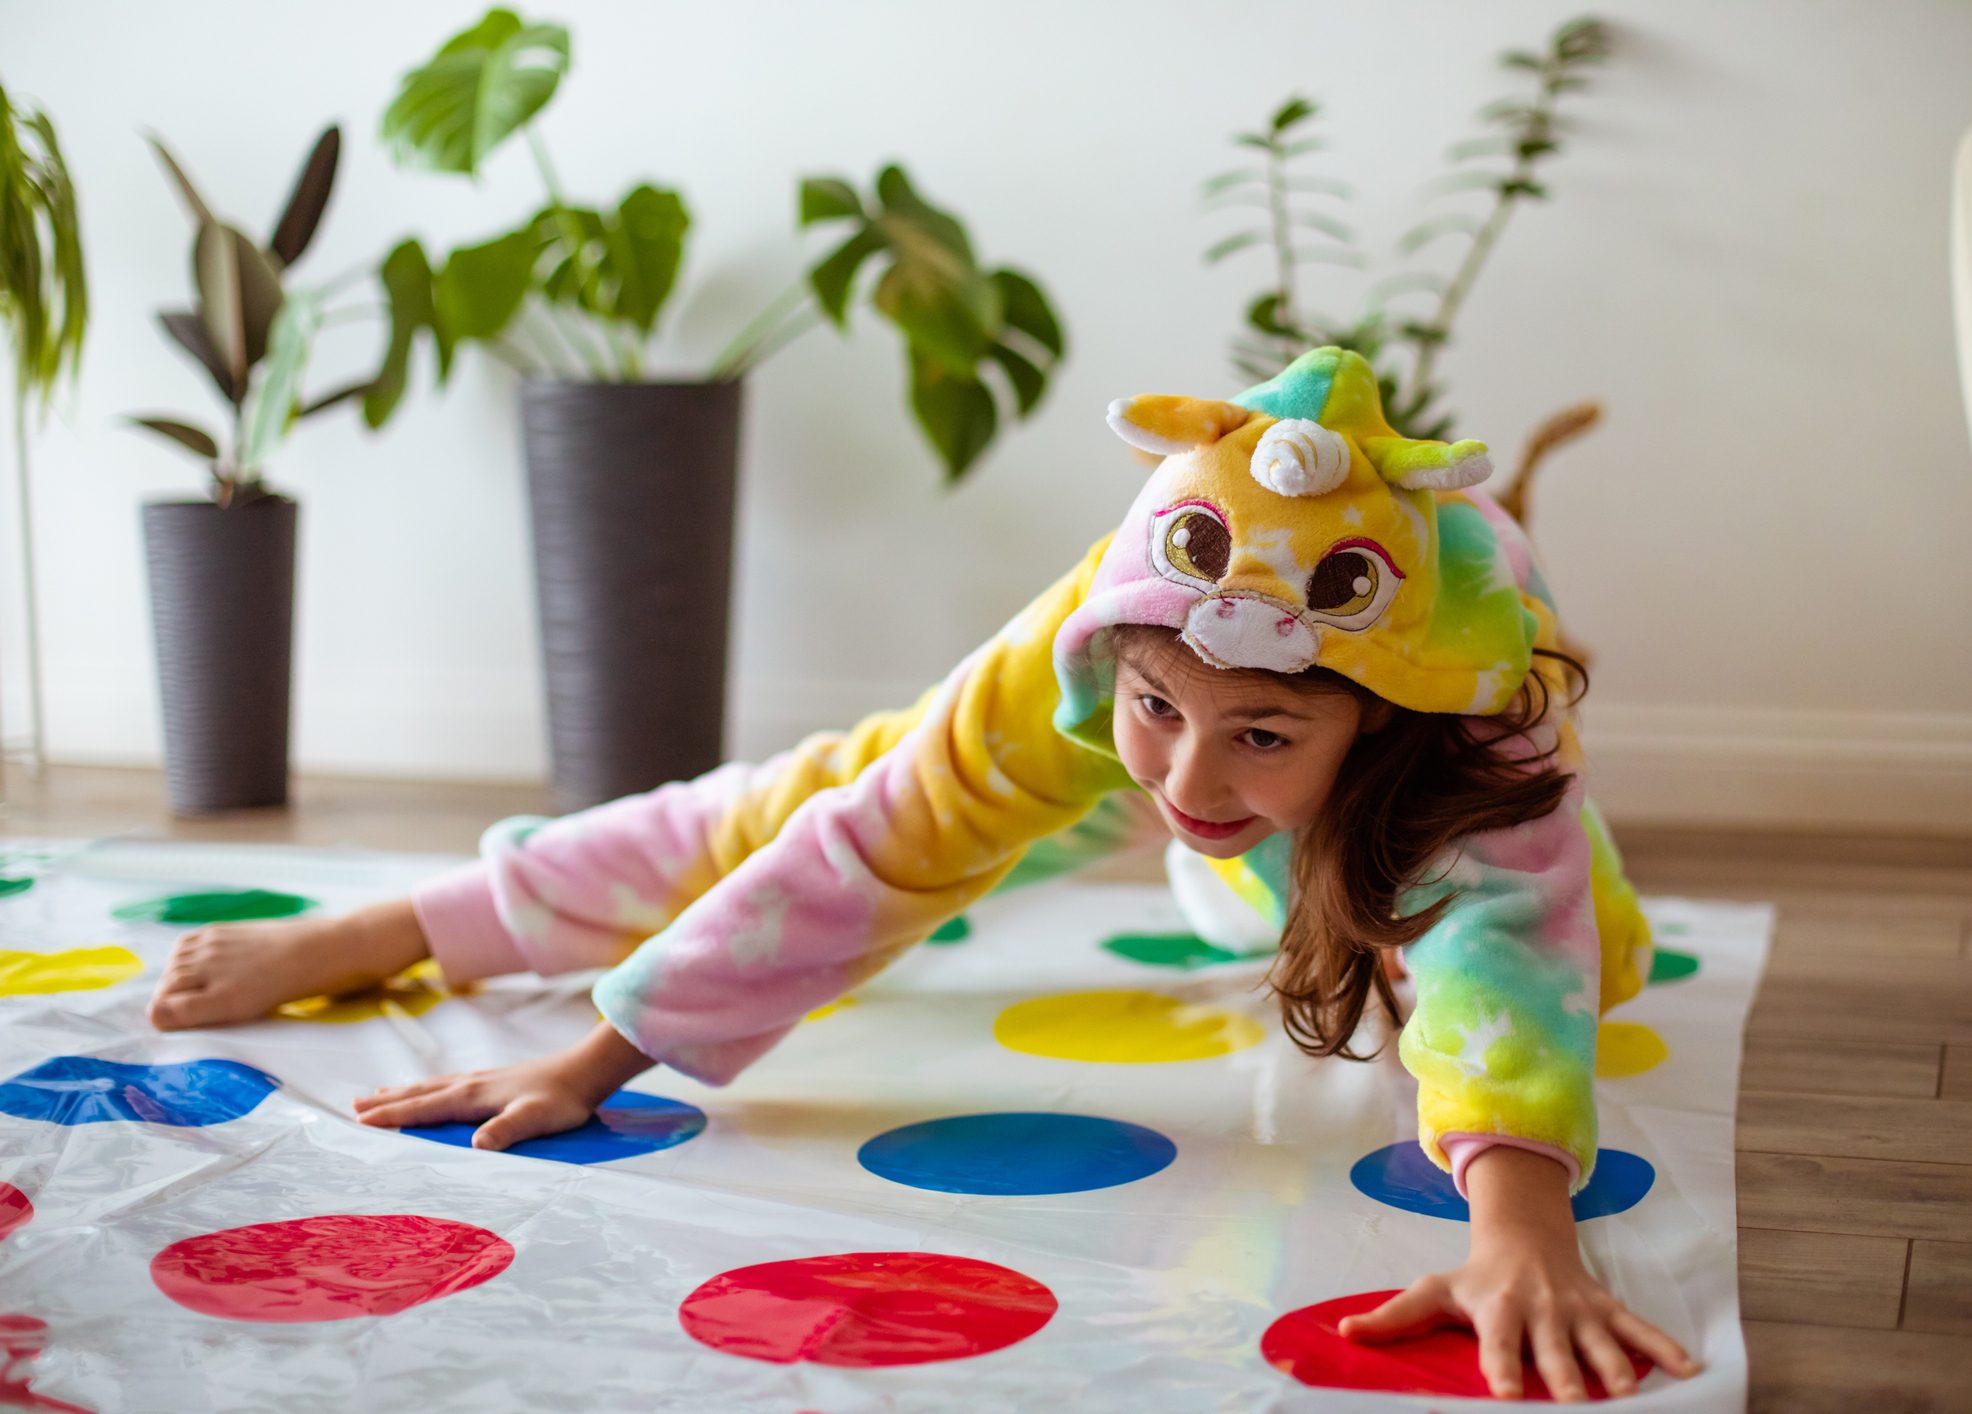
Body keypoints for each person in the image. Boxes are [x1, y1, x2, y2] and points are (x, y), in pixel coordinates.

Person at [148, 346, 1699, 1401]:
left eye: (1262, 735)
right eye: (1157, 710)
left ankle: (1323, 822)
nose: (1186, 780)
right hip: (1196, 744)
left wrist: (1519, 1226)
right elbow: (862, 849)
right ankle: (411, 918)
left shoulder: (1470, 738)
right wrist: (602, 1045)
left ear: (1372, 718)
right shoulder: (1100, 659)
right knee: (812, 792)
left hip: (1375, 841)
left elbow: (1503, 958)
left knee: (1546, 952)